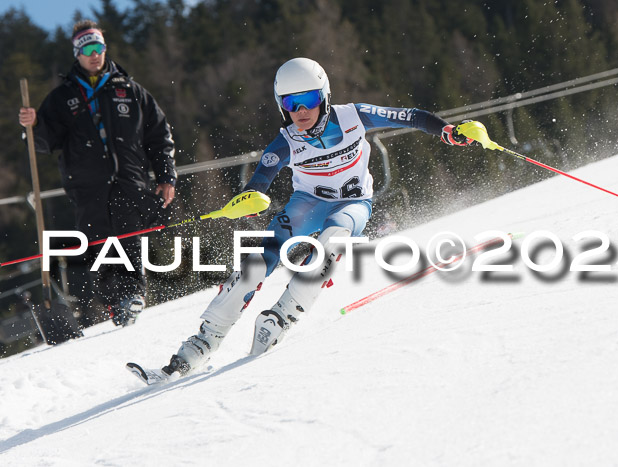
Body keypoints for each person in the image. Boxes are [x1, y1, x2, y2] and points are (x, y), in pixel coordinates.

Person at [158, 57, 472, 376]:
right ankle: (203, 341)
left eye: (308, 100)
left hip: (352, 202)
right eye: (291, 103)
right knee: (259, 259)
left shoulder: (354, 116)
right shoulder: (287, 140)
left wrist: (445, 130)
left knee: (331, 242)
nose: (301, 111)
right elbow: (261, 179)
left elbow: (411, 117)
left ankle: (283, 315)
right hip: (307, 203)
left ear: (324, 96)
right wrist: (249, 198)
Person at [18, 20, 177, 327]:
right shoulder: (62, 98)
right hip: (87, 188)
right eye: (88, 49)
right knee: (100, 245)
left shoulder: (130, 91)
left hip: (129, 182)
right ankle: (114, 303)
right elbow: (43, 143)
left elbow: (159, 136)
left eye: (99, 47)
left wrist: (166, 177)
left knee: (129, 239)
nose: (95, 54)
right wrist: (33, 125)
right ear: (77, 54)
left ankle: (134, 296)